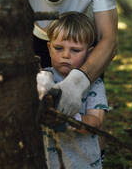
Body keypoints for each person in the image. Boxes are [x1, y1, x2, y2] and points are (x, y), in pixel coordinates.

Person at [38, 12, 109, 169]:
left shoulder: (94, 84)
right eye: (58, 48)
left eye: (75, 50)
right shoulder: (43, 78)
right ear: (49, 48)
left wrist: (70, 118)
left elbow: (95, 122)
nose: (65, 55)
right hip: (48, 161)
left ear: (89, 53)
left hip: (82, 162)